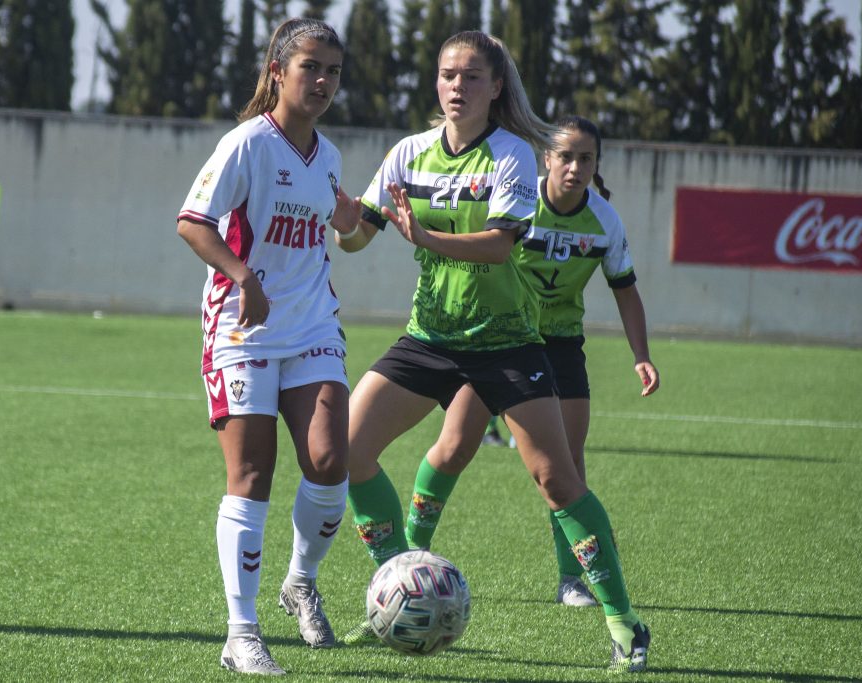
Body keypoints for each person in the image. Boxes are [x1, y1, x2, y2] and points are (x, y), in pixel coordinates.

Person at [332, 31, 651, 673]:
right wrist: (318, 187)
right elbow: (356, 238)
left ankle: (625, 624)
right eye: (448, 75)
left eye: (472, 77)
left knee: (557, 481)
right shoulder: (408, 153)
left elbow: (502, 246)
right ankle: (398, 590)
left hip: (506, 345)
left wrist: (422, 234)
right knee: (345, 450)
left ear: (496, 87)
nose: (457, 86)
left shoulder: (510, 155)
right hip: (429, 337)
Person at [401, 115, 660, 614]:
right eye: (566, 156)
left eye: (586, 158)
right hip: (502, 339)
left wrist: (641, 356)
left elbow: (626, 292)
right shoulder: (520, 201)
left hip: (560, 347)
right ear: (547, 159)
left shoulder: (604, 220)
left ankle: (571, 580)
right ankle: (409, 555)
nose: (575, 167)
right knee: (454, 447)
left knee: (567, 467)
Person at [175, 17, 362, 676]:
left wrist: (382, 218)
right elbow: (191, 223)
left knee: (331, 459)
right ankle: (242, 631)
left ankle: (300, 581)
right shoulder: (246, 144)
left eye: (333, 71)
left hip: (311, 326)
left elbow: (345, 223)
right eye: (310, 66)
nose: (322, 81)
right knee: (252, 476)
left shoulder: (329, 156)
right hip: (243, 329)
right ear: (278, 71)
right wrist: (243, 275)